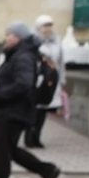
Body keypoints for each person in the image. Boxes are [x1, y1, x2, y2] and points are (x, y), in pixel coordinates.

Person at [0, 21, 60, 178]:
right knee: (10, 150)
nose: (5, 38)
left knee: (1, 151)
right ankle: (47, 170)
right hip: (14, 110)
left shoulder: (23, 57)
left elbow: (23, 84)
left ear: (19, 37)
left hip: (14, 111)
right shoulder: (19, 54)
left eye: (9, 34)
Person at [25, 14, 66, 148]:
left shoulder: (56, 41)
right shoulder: (32, 41)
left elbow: (60, 62)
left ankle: (37, 137)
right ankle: (29, 137)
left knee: (43, 110)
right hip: (37, 80)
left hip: (50, 80)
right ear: (38, 27)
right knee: (34, 110)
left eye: (49, 26)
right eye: (44, 26)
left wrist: (61, 80)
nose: (47, 29)